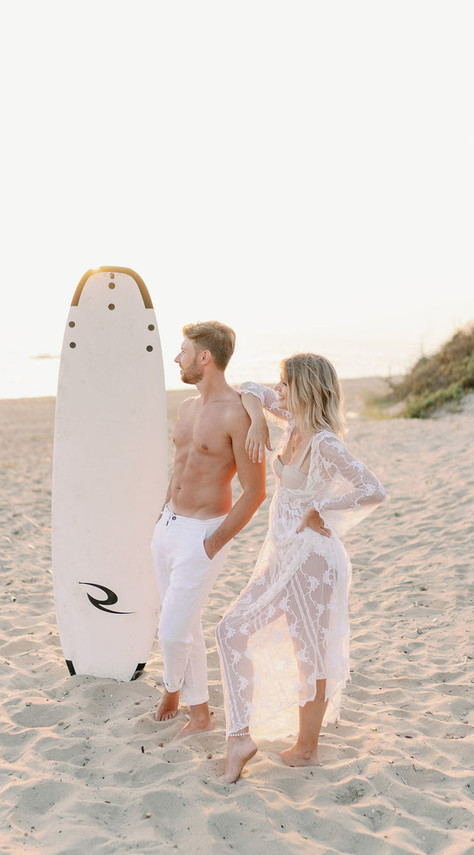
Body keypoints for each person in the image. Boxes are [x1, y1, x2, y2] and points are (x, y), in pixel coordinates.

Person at [215, 353, 386, 782]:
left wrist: (322, 509)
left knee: (310, 651)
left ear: (306, 389)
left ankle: (307, 749)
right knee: (231, 628)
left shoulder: (324, 442)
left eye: (286, 384)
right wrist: (256, 421)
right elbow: (249, 389)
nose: (280, 390)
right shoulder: (292, 425)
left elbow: (372, 489)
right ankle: (241, 734)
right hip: (283, 557)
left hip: (313, 561)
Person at [151, 321, 266, 740]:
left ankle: (172, 691)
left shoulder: (238, 414)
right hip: (167, 528)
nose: (176, 357)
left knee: (171, 631)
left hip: (203, 535)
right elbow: (180, 465)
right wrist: (163, 511)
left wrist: (212, 544)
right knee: (186, 626)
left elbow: (255, 493)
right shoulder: (186, 407)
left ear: (205, 358)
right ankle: (199, 715)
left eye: (183, 350)